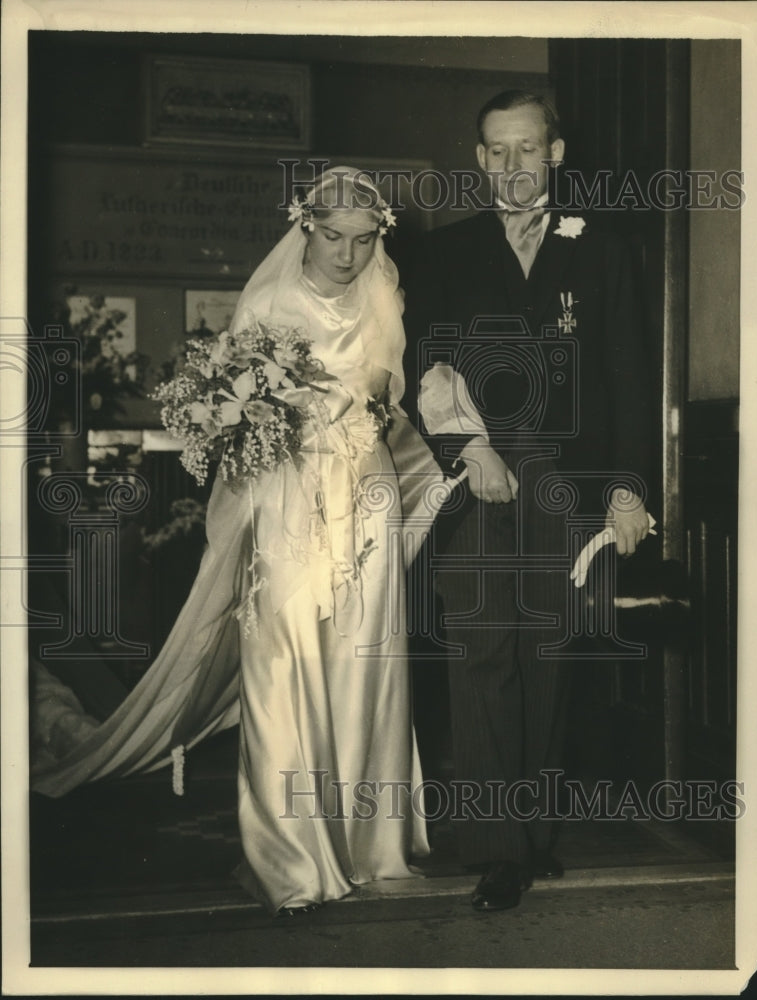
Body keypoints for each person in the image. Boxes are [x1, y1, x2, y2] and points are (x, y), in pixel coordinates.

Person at [31, 166, 443, 916]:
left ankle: (370, 844)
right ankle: (292, 856)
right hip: (286, 495)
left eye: (363, 239)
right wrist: (254, 409)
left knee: (363, 662)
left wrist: (330, 400)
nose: (348, 256)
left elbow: (381, 390)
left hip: (363, 487)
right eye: (332, 238)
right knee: (283, 655)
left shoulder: (381, 289)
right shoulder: (267, 299)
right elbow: (231, 410)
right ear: (304, 227)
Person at [402, 91, 654, 912]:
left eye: (526, 149)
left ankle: (534, 833)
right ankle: (497, 848)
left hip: (567, 489)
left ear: (554, 152)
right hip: (475, 482)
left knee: (546, 657)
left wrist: (625, 491)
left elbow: (626, 381)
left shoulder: (605, 249)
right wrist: (470, 451)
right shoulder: (443, 255)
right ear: (479, 160)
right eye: (495, 151)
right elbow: (424, 371)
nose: (512, 167)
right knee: (482, 660)